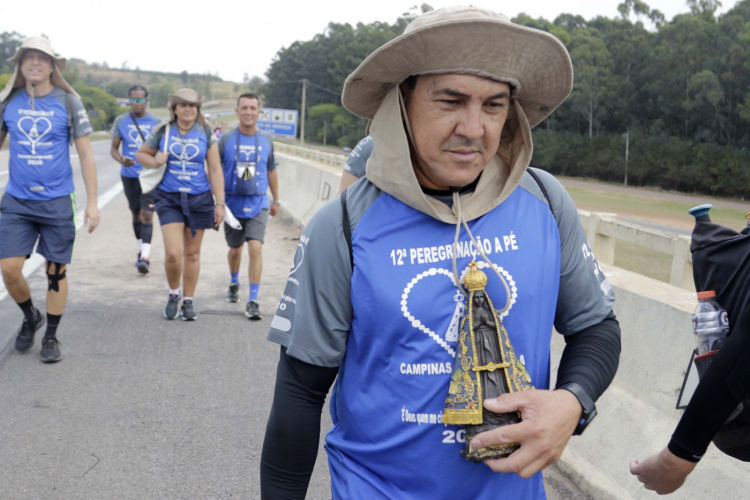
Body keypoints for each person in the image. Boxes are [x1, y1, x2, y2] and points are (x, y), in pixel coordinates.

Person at [261, 7, 621, 500]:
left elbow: (596, 327)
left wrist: (573, 401)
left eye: (493, 106)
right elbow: (301, 392)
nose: (474, 128)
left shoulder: (545, 204)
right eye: (450, 100)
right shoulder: (342, 226)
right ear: (402, 101)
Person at [0, 36, 100, 363]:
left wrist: (93, 203)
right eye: (28, 57)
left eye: (42, 58)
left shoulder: (69, 103)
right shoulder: (8, 102)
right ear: (20, 65)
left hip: (57, 201)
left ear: (52, 66)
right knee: (9, 269)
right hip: (17, 201)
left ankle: (52, 336)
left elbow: (86, 155)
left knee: (55, 272)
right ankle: (31, 316)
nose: (35, 62)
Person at [136, 88, 225, 321]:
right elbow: (141, 154)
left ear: (197, 109)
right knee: (174, 254)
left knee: (193, 253)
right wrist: (155, 161)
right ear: (174, 109)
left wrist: (220, 203)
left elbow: (215, 169)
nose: (188, 109)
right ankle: (174, 293)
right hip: (169, 198)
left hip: (200, 198)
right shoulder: (163, 131)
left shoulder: (206, 133)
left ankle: (188, 300)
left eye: (192, 105)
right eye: (183, 105)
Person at [218, 93, 280, 319]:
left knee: (255, 247)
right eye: (244, 107)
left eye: (253, 108)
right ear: (237, 111)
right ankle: (234, 282)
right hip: (232, 204)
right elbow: (215, 170)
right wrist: (217, 201)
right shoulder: (225, 140)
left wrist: (276, 199)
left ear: (258, 112)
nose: (248, 112)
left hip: (258, 203)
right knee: (235, 250)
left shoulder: (267, 140)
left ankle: (253, 300)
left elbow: (271, 169)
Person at [110, 85, 162, 273]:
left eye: (140, 100)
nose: (136, 103)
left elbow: (163, 148)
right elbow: (114, 149)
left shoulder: (157, 122)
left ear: (146, 101)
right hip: (129, 176)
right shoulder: (121, 121)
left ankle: (145, 258)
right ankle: (141, 250)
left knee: (147, 214)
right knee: (136, 213)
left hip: (149, 177)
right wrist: (120, 159)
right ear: (129, 100)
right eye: (133, 99)